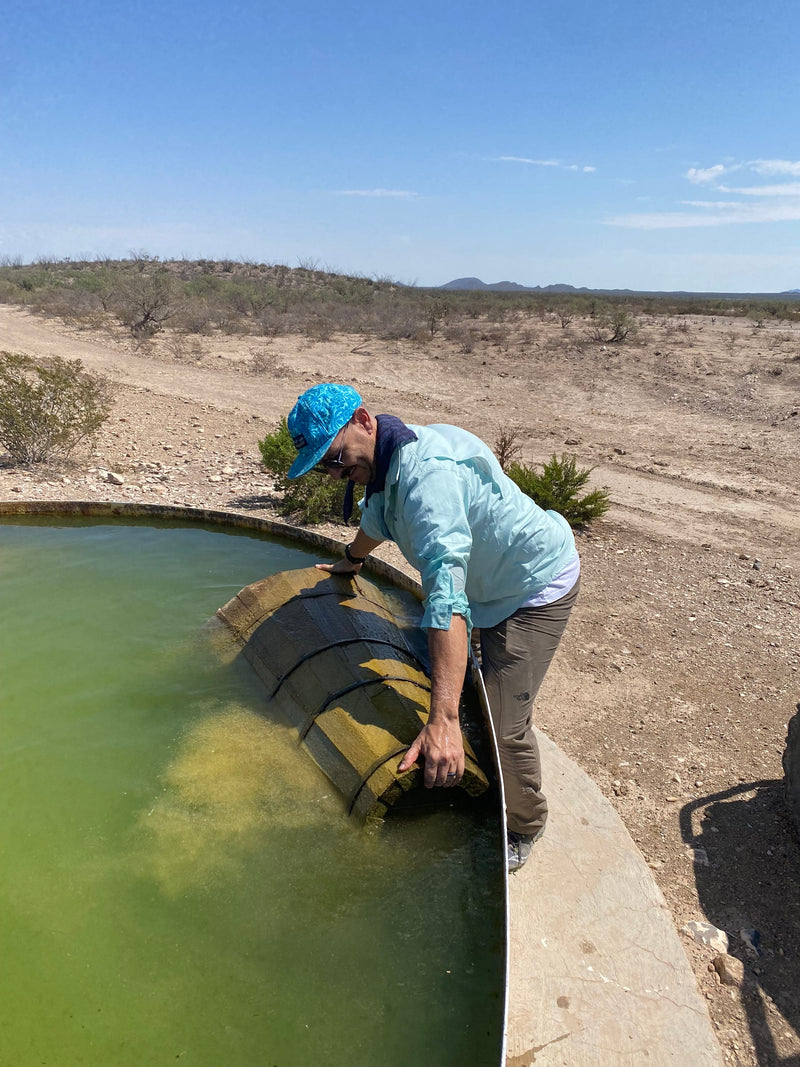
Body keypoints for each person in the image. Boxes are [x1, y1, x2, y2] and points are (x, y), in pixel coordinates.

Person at [286, 383, 579, 871]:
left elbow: (447, 602)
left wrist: (441, 721)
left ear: (361, 419)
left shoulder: (429, 484)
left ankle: (523, 824)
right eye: (324, 466)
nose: (336, 472)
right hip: (491, 584)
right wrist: (351, 561)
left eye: (335, 456)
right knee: (471, 692)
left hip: (533, 586)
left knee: (504, 727)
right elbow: (379, 518)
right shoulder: (386, 461)